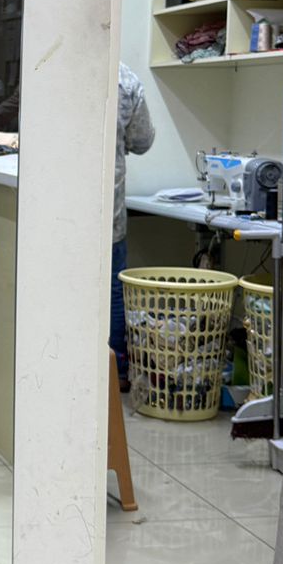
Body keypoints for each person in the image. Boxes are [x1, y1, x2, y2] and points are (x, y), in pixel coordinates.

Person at [113, 63, 155, 389]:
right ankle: (115, 374)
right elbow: (142, 141)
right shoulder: (125, 80)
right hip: (109, 214)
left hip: (54, 212)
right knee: (114, 292)